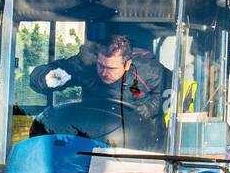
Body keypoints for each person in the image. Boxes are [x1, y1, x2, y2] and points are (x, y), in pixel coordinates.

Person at [29, 34, 166, 143]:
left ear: (127, 64)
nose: (104, 73)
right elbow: (44, 75)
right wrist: (46, 78)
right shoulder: (86, 64)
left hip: (140, 143)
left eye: (111, 68)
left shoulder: (149, 70)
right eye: (101, 65)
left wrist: (150, 108)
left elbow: (170, 94)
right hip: (91, 139)